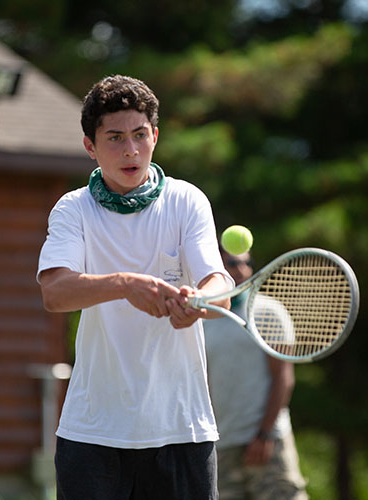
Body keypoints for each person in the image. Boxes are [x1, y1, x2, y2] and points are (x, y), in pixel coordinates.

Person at [37, 74, 233, 500]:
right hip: (92, 435)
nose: (131, 150)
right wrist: (125, 284)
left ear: (155, 136)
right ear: (90, 146)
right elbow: (55, 292)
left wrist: (197, 304)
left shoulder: (187, 201)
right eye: (115, 138)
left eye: (140, 135)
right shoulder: (73, 209)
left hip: (183, 430)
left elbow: (218, 285)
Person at [204, 248, 309, 500]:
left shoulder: (268, 312)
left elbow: (283, 378)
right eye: (231, 263)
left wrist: (264, 434)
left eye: (246, 263)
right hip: (222, 447)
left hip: (268, 442)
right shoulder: (201, 321)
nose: (240, 270)